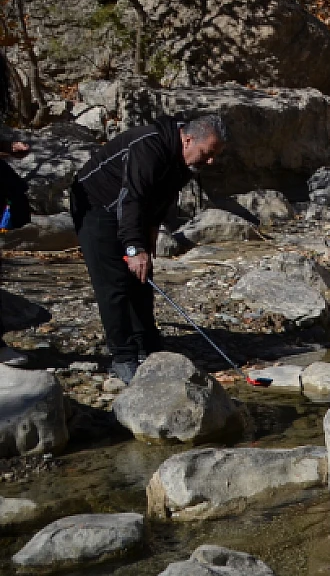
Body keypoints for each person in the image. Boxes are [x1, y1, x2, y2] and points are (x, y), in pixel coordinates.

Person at [70, 114, 227, 383]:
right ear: (188, 139)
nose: (210, 161)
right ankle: (123, 357)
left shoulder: (185, 159)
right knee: (114, 283)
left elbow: (163, 194)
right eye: (207, 153)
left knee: (141, 279)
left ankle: (148, 346)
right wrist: (133, 248)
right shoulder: (148, 146)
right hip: (96, 205)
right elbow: (132, 197)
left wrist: (151, 231)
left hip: (132, 210)